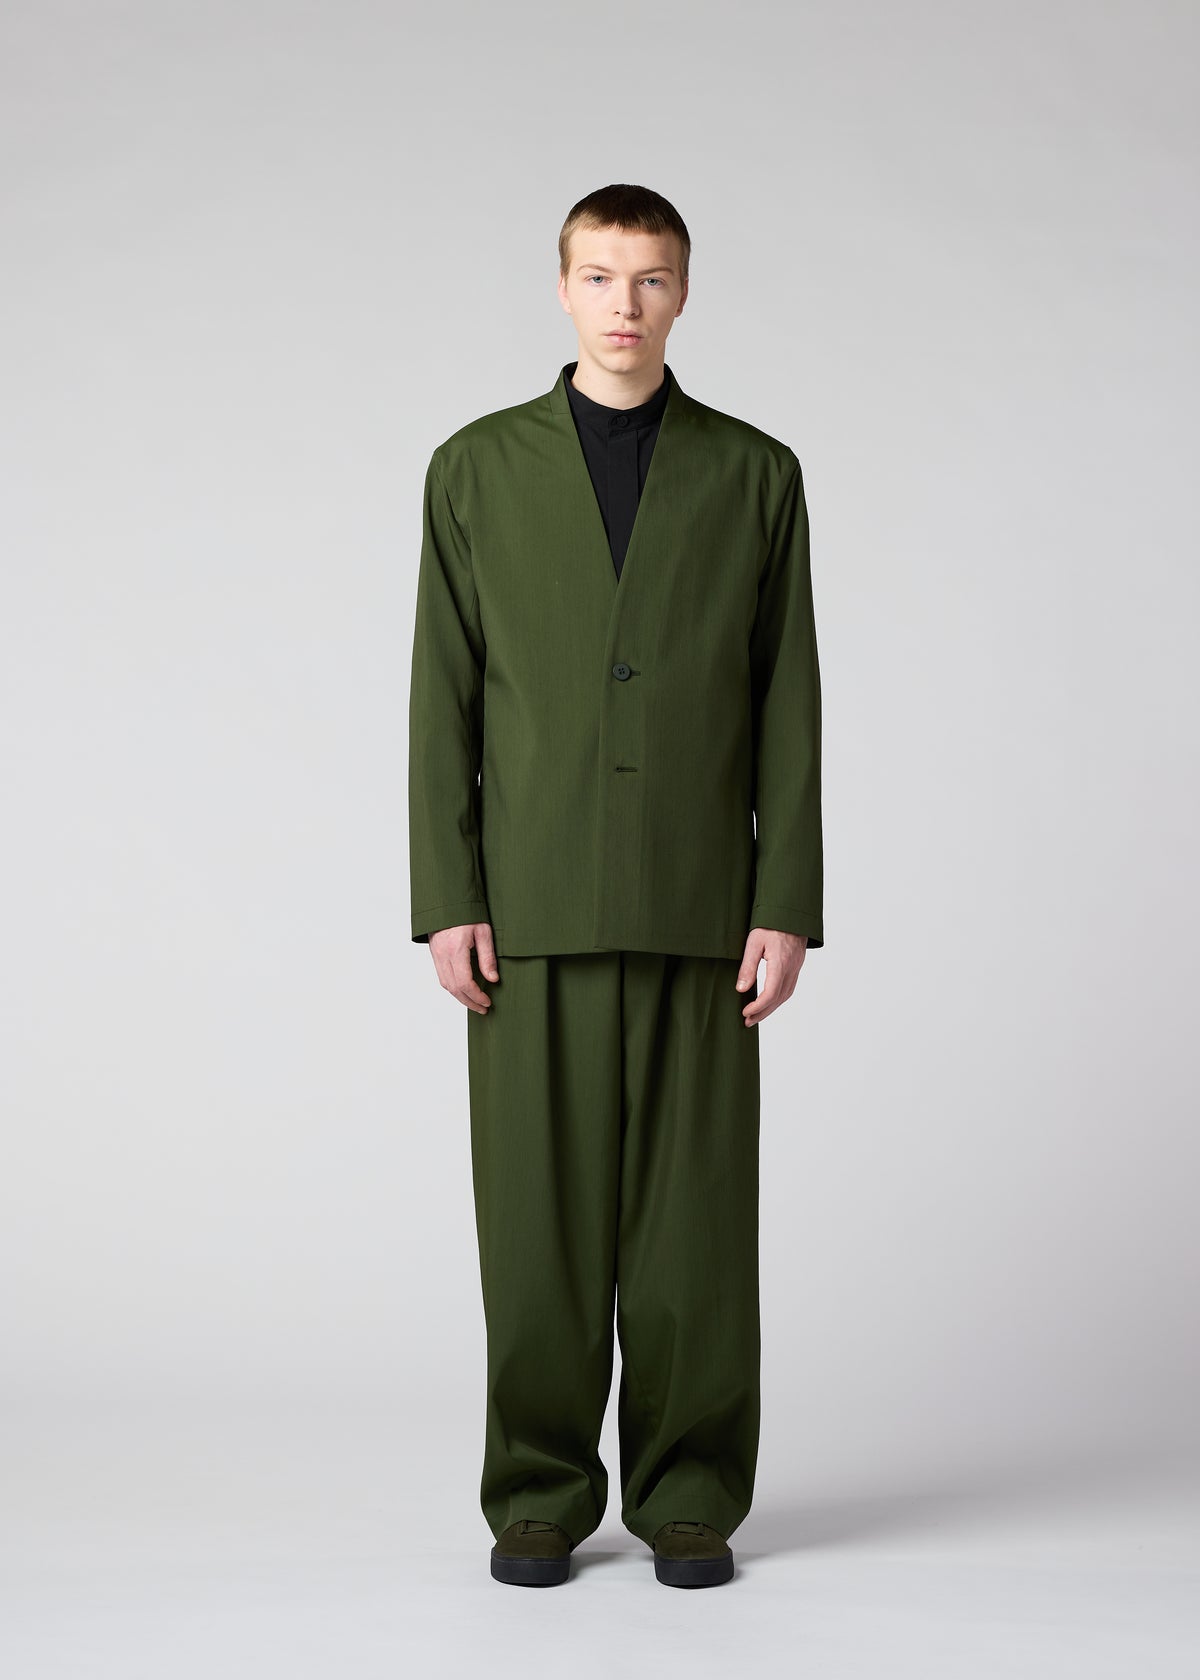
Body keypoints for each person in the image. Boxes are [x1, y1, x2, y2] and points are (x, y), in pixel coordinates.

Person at [408, 182, 823, 1589]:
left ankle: (690, 1493)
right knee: (536, 1224)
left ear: (683, 293)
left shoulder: (755, 474)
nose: (626, 304)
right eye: (600, 276)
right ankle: (537, 1493)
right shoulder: (474, 470)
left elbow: (788, 698)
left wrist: (784, 898)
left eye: (651, 279)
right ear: (564, 288)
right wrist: (447, 892)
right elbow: (442, 696)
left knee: (694, 1224)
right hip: (527, 908)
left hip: (703, 904)